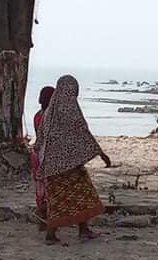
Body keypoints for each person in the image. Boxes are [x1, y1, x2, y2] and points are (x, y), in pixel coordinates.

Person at [36, 75, 112, 245]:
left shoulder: (48, 113)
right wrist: (101, 154)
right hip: (69, 166)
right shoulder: (70, 111)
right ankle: (53, 234)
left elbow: (40, 139)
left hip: (51, 166)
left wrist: (42, 159)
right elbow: (83, 133)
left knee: (60, 199)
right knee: (82, 195)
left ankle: (81, 230)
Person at [30, 86, 55, 230]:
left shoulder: (37, 116)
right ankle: (47, 222)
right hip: (47, 155)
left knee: (40, 190)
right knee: (50, 191)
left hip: (36, 155)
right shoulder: (52, 118)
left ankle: (42, 223)